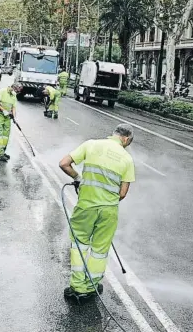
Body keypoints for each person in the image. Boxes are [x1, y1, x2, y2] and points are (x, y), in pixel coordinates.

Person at [58, 124, 136, 301]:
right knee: (99, 250)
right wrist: (106, 200)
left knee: (79, 244)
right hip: (108, 211)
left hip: (86, 207)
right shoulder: (127, 159)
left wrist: (79, 179)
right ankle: (91, 286)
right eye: (128, 142)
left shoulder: (91, 144)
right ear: (125, 138)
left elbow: (64, 164)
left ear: (115, 134)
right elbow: (122, 193)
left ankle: (77, 287)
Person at [0, 82, 23, 162]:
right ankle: (0, 154)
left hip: (7, 117)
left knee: (6, 135)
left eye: (17, 92)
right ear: (13, 87)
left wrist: (13, 116)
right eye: (16, 90)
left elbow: (13, 107)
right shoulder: (2, 91)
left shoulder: (14, 95)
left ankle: (3, 151)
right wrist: (3, 110)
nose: (16, 92)